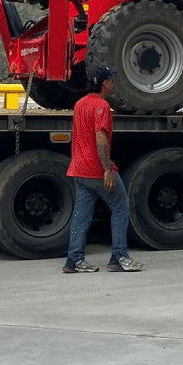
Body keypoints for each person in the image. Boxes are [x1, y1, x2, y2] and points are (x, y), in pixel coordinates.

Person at [62, 66, 144, 273]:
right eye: (111, 81)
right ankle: (119, 257)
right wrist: (107, 170)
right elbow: (100, 138)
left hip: (79, 169)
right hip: (96, 169)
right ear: (105, 83)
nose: (113, 84)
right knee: (120, 208)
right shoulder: (102, 106)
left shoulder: (80, 104)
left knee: (81, 216)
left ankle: (74, 260)